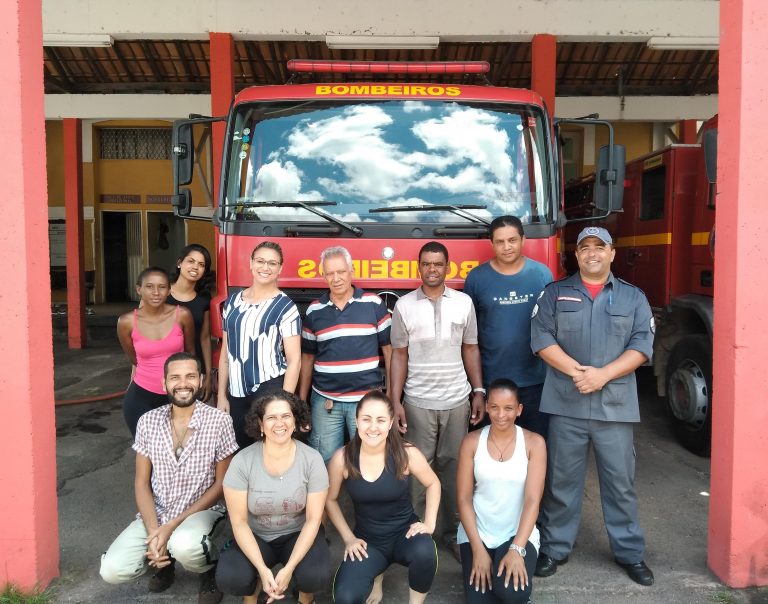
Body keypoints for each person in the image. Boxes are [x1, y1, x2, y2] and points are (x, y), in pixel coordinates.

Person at [530, 226, 655, 586]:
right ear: (577, 255)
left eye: (599, 247)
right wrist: (579, 373)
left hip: (614, 406)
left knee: (620, 482)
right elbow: (541, 339)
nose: (592, 254)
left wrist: (602, 376)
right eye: (584, 248)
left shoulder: (633, 298)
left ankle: (630, 553)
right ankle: (555, 548)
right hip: (567, 404)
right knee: (562, 481)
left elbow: (642, 345)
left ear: (612, 253)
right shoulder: (555, 293)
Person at [100, 352, 238, 604]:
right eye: (174, 377)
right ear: (164, 383)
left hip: (202, 511)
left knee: (186, 544)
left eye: (190, 376)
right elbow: (141, 482)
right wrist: (155, 531)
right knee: (112, 569)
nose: (182, 383)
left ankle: (209, 570)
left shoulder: (219, 421)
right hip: (158, 511)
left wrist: (170, 527)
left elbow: (221, 484)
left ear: (201, 380)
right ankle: (164, 561)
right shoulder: (148, 421)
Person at [389, 241, 485, 555]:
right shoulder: (404, 305)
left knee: (455, 468)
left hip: (457, 400)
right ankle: (419, 531)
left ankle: (454, 533)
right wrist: (395, 399)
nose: (432, 269)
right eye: (427, 264)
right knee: (417, 468)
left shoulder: (464, 302)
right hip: (417, 401)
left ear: (447, 267)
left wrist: (478, 391)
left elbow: (470, 348)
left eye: (438, 264)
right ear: (419, 267)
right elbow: (399, 356)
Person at [327, 390, 441, 604]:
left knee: (425, 554)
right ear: (356, 421)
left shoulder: (406, 453)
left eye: (380, 420)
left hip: (404, 534)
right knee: (345, 597)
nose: (373, 427)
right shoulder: (342, 459)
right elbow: (330, 499)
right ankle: (377, 579)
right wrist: (348, 538)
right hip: (368, 542)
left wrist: (430, 523)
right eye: (366, 419)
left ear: (390, 423)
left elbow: (433, 483)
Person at [216, 391, 329, 604]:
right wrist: (261, 568)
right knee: (232, 577)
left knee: (315, 575)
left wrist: (290, 568)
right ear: (260, 424)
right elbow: (239, 522)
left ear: (295, 422)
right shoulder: (242, 461)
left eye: (286, 416)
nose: (280, 423)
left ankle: (305, 597)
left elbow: (314, 519)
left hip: (297, 532)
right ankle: (255, 588)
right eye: (271, 417)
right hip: (256, 535)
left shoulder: (312, 459)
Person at [456, 378, 546, 603]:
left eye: (508, 408)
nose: (500, 414)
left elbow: (533, 500)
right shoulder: (472, 441)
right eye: (494, 407)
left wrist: (517, 548)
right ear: (486, 407)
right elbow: (464, 499)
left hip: (517, 534)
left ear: (519, 410)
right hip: (478, 533)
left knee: (511, 593)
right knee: (479, 600)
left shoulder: (534, 443)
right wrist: (477, 549)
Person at [299, 246, 392, 463]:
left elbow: (390, 352)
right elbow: (307, 358)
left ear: (351, 271)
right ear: (323, 276)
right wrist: (302, 400)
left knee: (369, 460)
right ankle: (330, 499)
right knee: (325, 461)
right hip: (325, 402)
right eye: (330, 273)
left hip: (367, 401)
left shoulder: (374, 304)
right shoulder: (314, 311)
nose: (336, 278)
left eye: (341, 271)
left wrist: (392, 396)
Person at [464, 215, 553, 438]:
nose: (507, 247)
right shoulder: (476, 278)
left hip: (534, 380)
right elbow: (469, 335)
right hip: (491, 380)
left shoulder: (542, 275)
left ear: (523, 240)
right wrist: (477, 387)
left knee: (536, 444)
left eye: (512, 240)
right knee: (489, 445)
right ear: (491, 244)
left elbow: (553, 325)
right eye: (500, 241)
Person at [217, 242, 301, 448]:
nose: (266, 267)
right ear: (251, 264)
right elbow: (226, 352)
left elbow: (295, 360)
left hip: (270, 388)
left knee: (271, 448)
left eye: (272, 263)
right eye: (261, 261)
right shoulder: (232, 302)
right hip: (236, 392)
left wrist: (284, 403)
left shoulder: (286, 307)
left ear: (280, 268)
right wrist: (221, 394)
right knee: (240, 450)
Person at [117, 267, 195, 437]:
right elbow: (134, 359)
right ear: (139, 289)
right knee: (146, 455)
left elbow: (191, 356)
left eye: (161, 287)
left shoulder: (182, 315)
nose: (156, 292)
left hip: (178, 395)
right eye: (149, 286)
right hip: (141, 396)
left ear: (169, 290)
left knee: (180, 451)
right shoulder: (126, 322)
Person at [168, 244, 214, 401]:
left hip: (193, 369)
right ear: (179, 263)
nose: (195, 267)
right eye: (191, 261)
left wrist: (208, 374)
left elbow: (205, 338)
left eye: (201, 265)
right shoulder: (160, 293)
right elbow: (141, 335)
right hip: (163, 368)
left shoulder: (204, 299)